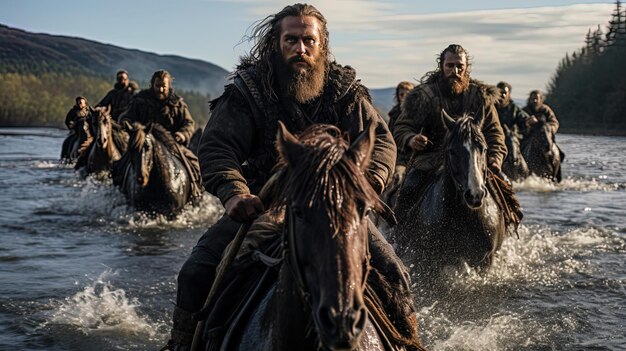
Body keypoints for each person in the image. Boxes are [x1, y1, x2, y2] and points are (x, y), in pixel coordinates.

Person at [163, 4, 420, 351]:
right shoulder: (249, 90)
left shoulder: (345, 91)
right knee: (195, 273)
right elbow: (217, 147)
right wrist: (234, 192)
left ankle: (412, 343)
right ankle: (182, 346)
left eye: (308, 41)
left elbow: (380, 142)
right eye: (292, 40)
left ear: (322, 45)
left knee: (395, 273)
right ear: (277, 43)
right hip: (262, 206)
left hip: (336, 205)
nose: (301, 49)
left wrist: (367, 183)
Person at [393, 44, 507, 217]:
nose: (455, 70)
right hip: (430, 159)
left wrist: (495, 160)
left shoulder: (480, 96)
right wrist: (411, 139)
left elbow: (495, 133)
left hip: (474, 160)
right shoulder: (423, 95)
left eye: (460, 66)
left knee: (506, 193)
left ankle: (510, 228)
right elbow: (402, 127)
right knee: (407, 190)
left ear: (466, 68)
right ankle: (398, 236)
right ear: (442, 67)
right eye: (450, 66)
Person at [62, 96, 92, 161]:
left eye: (81, 102)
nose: (79, 104)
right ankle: (68, 155)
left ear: (85, 103)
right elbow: (68, 121)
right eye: (78, 102)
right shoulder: (73, 111)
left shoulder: (89, 112)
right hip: (76, 131)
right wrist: (72, 124)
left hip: (89, 131)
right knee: (70, 141)